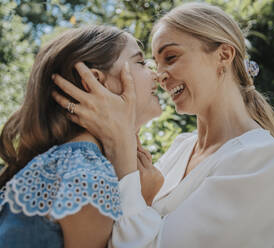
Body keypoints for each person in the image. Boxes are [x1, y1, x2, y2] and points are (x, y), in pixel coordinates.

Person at [52, 3, 274, 248]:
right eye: (153, 63)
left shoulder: (262, 160)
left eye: (170, 57)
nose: (159, 75)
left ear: (224, 55)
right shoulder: (181, 147)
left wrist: (123, 151)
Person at [0, 25, 163, 248]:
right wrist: (142, 201)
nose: (157, 74)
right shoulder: (86, 174)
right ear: (95, 81)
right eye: (141, 62)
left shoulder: (68, 161)